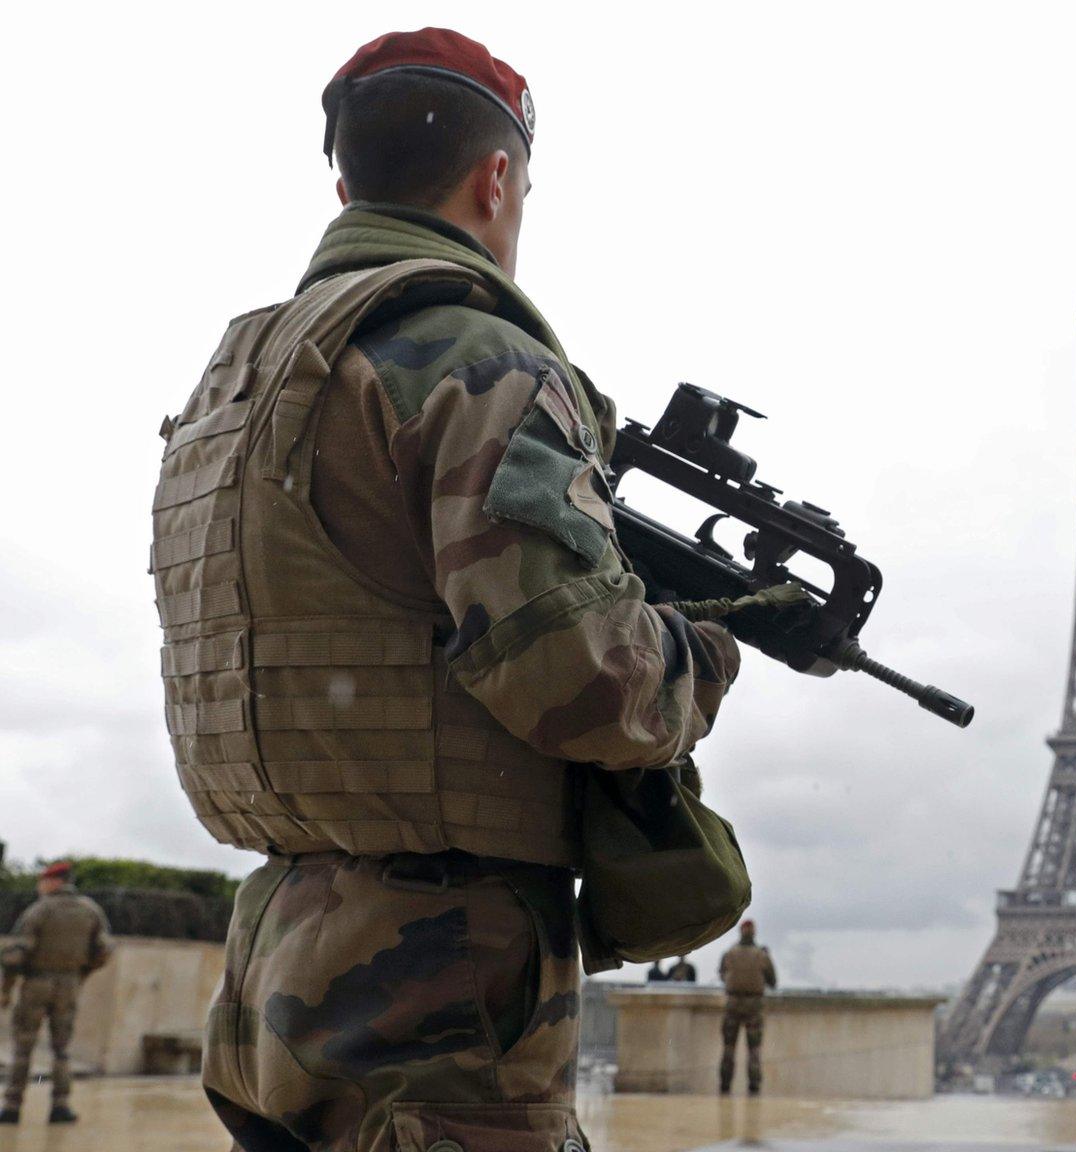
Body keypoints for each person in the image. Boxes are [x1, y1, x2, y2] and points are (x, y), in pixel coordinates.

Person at [153, 28, 742, 1152]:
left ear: (343, 181)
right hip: (441, 974)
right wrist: (699, 650)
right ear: (497, 176)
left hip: (278, 949)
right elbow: (582, 686)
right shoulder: (477, 359)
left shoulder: (239, 382)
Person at [1, 861, 111, 1126]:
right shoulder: (90, 911)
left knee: (23, 1047)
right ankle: (60, 1105)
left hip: (36, 984)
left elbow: (17, 953)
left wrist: (6, 989)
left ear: (54, 882)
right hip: (69, 985)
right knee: (62, 1049)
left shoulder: (39, 911)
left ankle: (13, 1106)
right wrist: (81, 973)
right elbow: (104, 950)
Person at [718, 920, 776, 1095]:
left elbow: (722, 975)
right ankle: (754, 1087)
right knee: (754, 1051)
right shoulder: (761, 955)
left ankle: (725, 1086)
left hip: (732, 1005)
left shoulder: (729, 954)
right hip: (754, 1007)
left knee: (729, 1048)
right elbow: (772, 981)